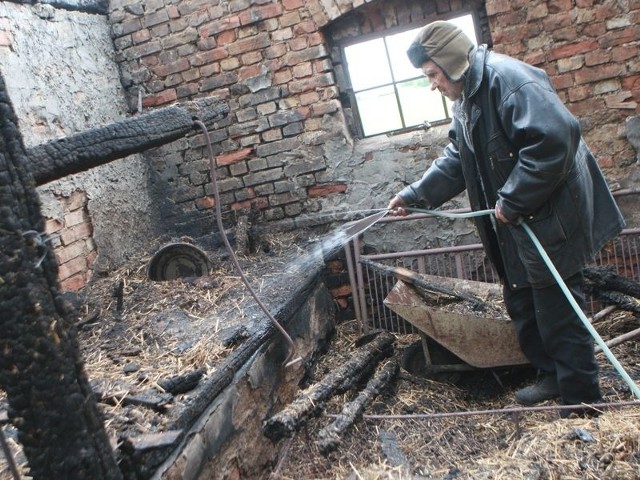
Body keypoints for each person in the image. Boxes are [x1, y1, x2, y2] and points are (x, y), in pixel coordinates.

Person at [388, 21, 625, 416]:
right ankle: (549, 376)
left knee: (558, 311)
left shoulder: (508, 80)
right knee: (522, 301)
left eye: (432, 74)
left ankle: (583, 400)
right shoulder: (466, 98)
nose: (432, 84)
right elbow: (456, 160)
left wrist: (513, 197)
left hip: (549, 217)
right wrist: (415, 195)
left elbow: (555, 139)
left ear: (451, 62)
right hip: (516, 222)